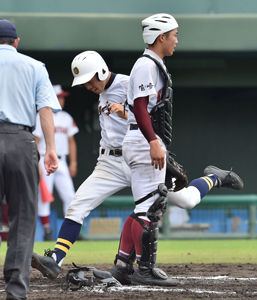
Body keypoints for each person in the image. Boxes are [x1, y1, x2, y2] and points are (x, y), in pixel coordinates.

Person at [31, 48, 243, 285]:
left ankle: (215, 177)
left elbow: (155, 113)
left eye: (89, 80)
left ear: (101, 71)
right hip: (109, 163)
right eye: (83, 83)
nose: (87, 86)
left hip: (139, 160)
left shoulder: (129, 83)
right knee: (77, 205)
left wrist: (126, 113)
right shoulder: (102, 92)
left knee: (186, 201)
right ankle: (56, 260)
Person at [109, 13, 244, 287]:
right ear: (161, 37)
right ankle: (144, 270)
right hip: (144, 141)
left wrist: (154, 141)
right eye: (174, 35)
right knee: (150, 208)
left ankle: (124, 266)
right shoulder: (146, 64)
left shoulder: (152, 64)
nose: (176, 41)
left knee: (150, 206)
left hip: (145, 141)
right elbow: (140, 108)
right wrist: (153, 141)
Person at [0, 19, 61, 300]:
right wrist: (50, 148)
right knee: (23, 219)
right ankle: (16, 292)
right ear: (16, 41)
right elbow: (45, 110)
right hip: (21, 141)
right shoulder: (34, 66)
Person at [33, 84, 79, 241]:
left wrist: (73, 162)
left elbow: (71, 141)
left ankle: (70, 232)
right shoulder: (41, 116)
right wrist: (36, 164)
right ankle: (47, 232)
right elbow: (35, 141)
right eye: (58, 97)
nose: (61, 100)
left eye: (62, 98)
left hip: (63, 160)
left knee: (70, 197)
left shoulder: (66, 117)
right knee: (45, 198)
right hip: (45, 161)